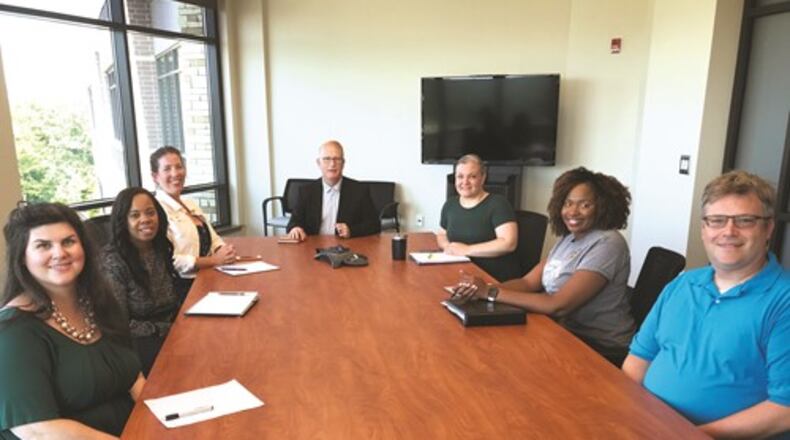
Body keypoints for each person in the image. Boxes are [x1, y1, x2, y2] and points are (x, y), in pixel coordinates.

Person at [623, 171, 789, 439]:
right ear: (704, 229)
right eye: (717, 220)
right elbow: (638, 359)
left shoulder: (783, 302)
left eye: (745, 221)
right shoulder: (682, 285)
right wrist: (631, 415)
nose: (728, 231)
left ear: (768, 228)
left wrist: (686, 434)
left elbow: (785, 409)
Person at [451, 167, 635, 365]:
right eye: (567, 203)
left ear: (602, 207)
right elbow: (528, 282)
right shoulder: (568, 240)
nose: (572, 211)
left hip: (600, 348)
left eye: (585, 205)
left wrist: (490, 293)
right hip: (563, 333)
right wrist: (476, 291)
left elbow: (558, 305)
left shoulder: (608, 243)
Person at [0, 202, 145, 438]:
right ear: (22, 258)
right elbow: (38, 431)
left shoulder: (101, 304)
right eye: (43, 245)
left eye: (68, 241)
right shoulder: (12, 332)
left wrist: (162, 422)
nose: (60, 253)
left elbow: (134, 378)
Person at [101, 187, 182, 376]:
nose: (145, 219)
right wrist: (166, 329)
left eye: (150, 212)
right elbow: (119, 325)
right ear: (123, 221)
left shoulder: (159, 247)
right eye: (135, 215)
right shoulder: (112, 262)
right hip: (139, 343)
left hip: (171, 330)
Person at [150, 146, 236, 284]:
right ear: (155, 177)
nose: (175, 173)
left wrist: (225, 252)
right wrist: (213, 260)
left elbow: (214, 238)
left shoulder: (190, 204)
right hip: (184, 285)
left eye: (179, 167)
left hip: (210, 275)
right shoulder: (156, 211)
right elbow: (171, 260)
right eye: (167, 169)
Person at [437, 154, 520, 281]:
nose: (465, 182)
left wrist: (467, 250)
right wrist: (448, 247)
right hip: (459, 273)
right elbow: (442, 235)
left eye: (472, 176)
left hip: (492, 279)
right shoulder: (450, 204)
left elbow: (508, 243)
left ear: (482, 178)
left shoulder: (498, 204)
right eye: (460, 176)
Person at [286, 140, 380, 241]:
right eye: (327, 159)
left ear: (343, 163)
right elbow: (293, 222)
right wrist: (295, 228)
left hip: (346, 249)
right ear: (318, 163)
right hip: (312, 247)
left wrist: (351, 231)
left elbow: (375, 225)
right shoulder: (306, 191)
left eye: (337, 159)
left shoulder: (359, 191)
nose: (332, 164)